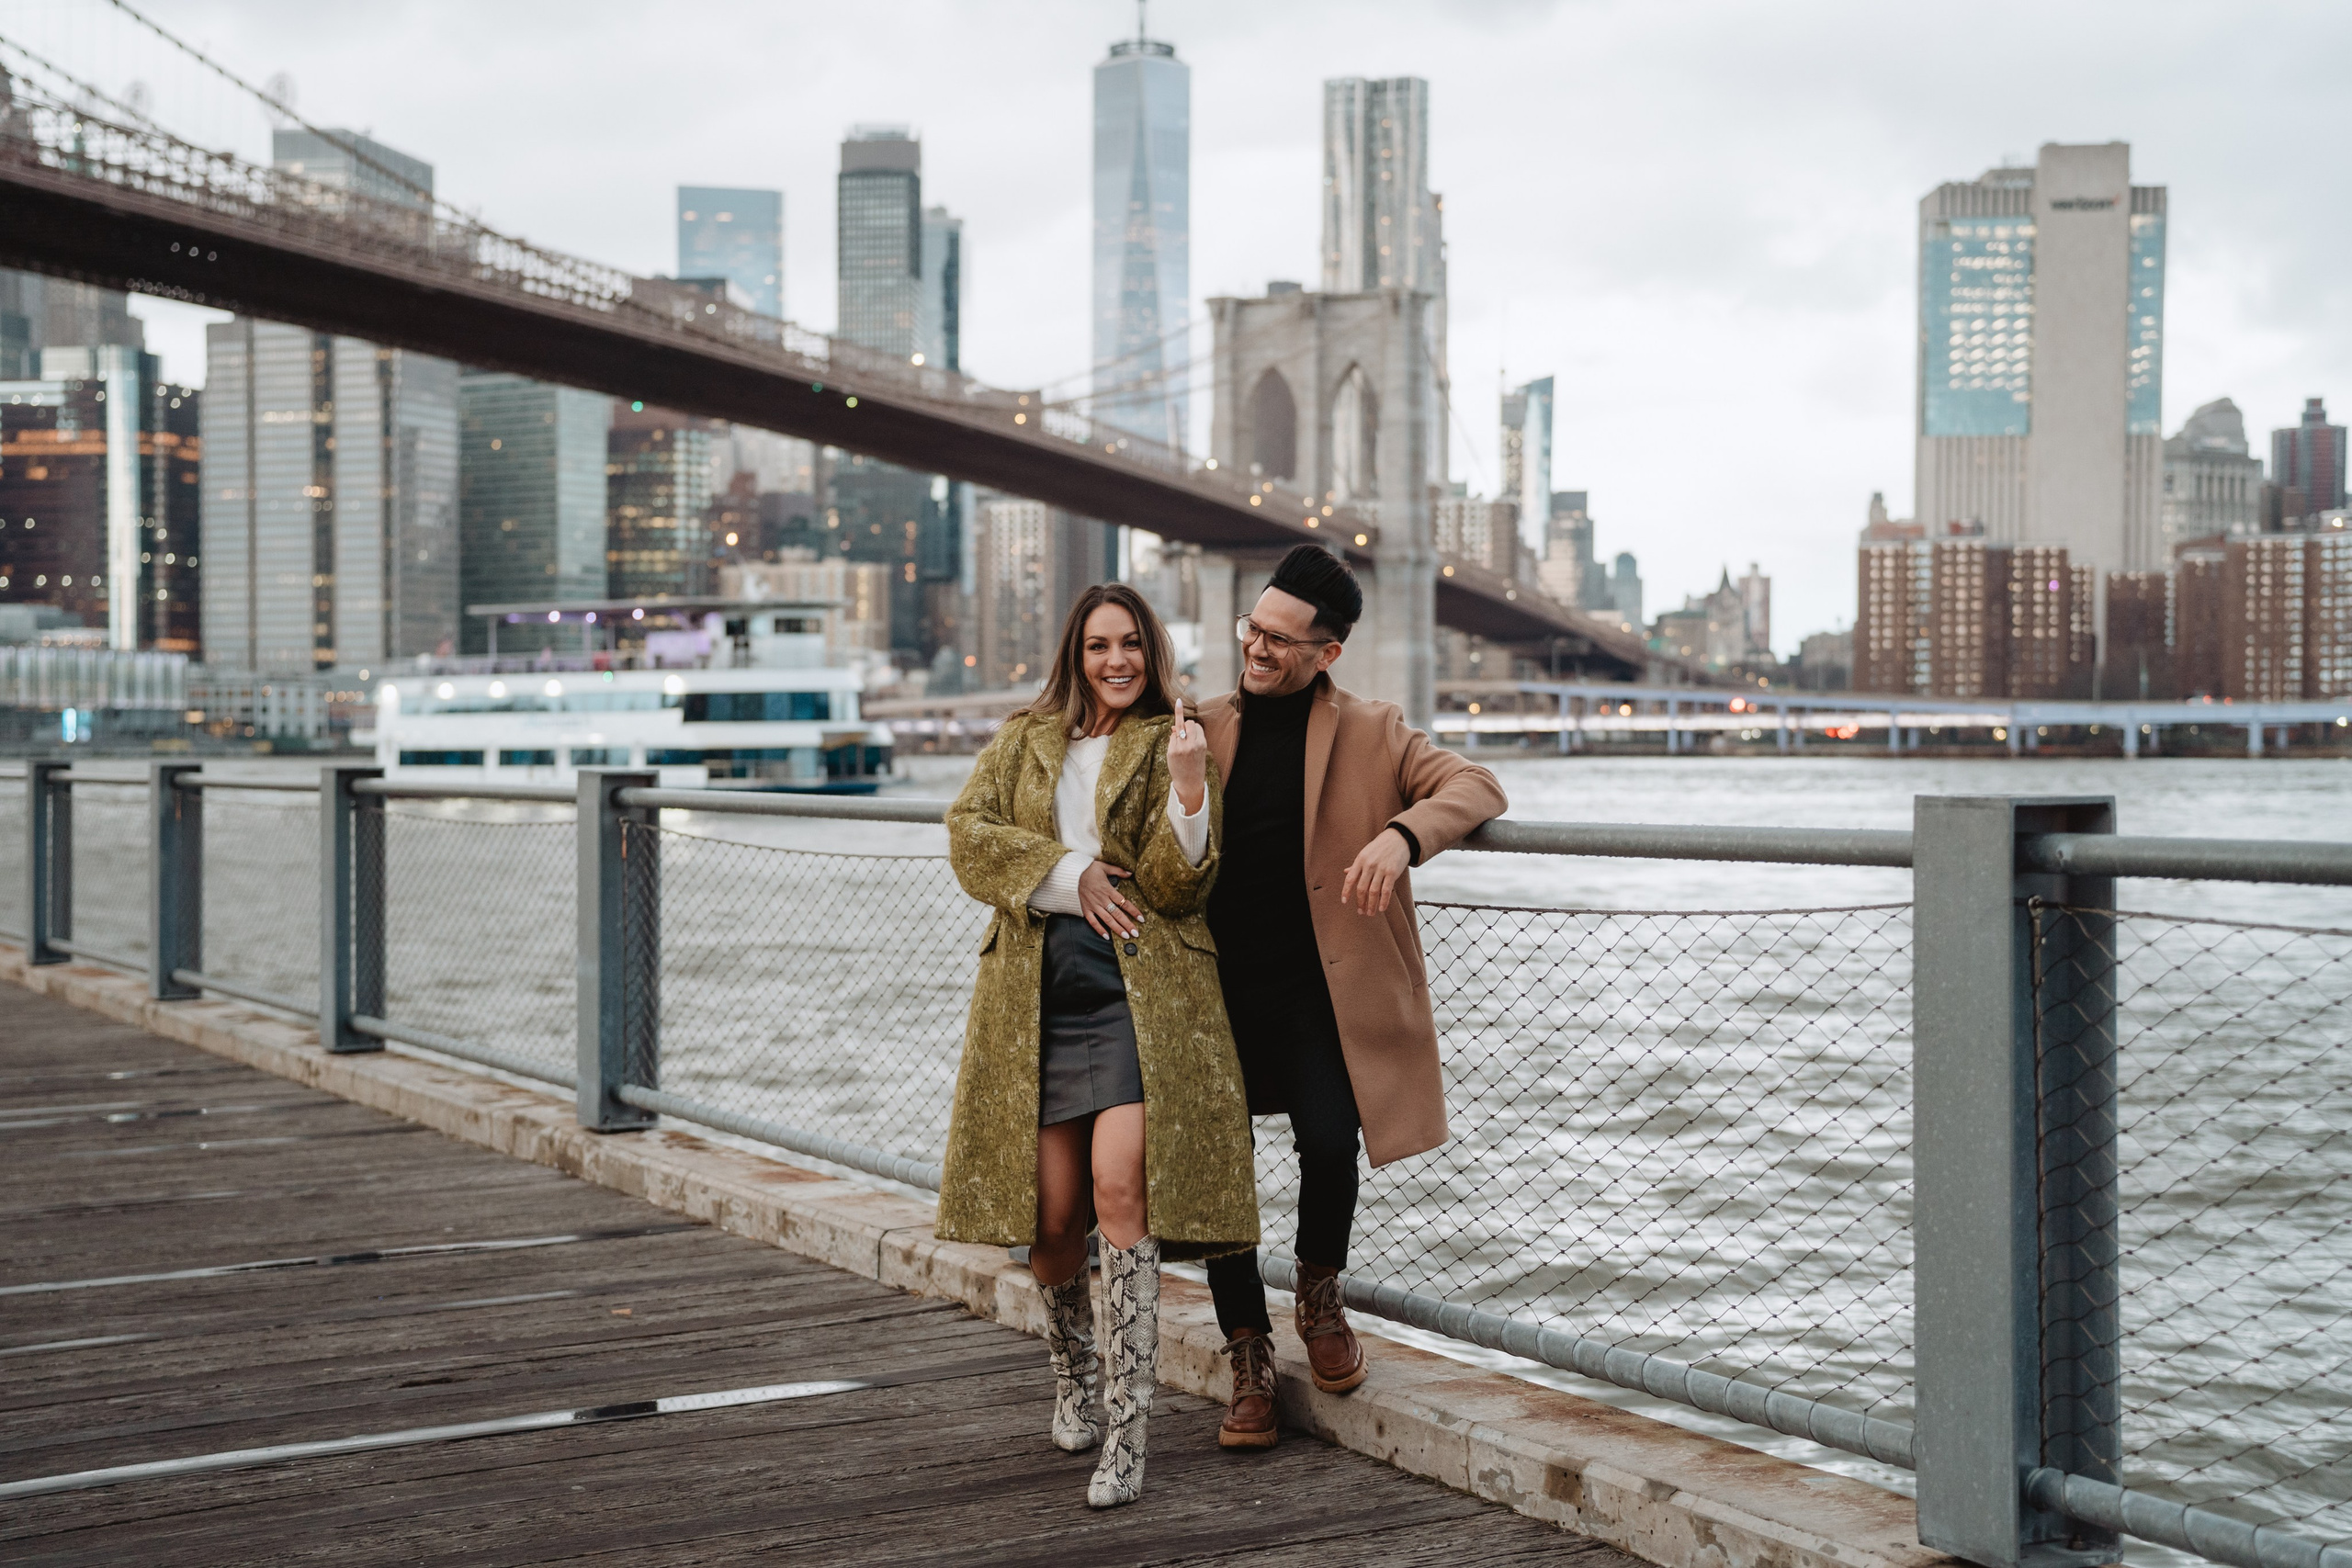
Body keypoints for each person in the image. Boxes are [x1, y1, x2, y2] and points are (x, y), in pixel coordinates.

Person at [937, 582, 1260, 1508]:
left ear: (1150, 652)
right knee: (1049, 1220)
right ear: (1074, 657)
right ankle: (1074, 1375)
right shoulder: (1023, 741)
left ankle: (1128, 1433)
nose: (1114, 661)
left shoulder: (1172, 741)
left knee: (1122, 1187)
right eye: (1096, 646)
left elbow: (1175, 885)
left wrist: (1191, 789)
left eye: (1129, 644)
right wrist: (1069, 873)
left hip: (1138, 993)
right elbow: (968, 837)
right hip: (1037, 992)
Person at [1195, 544, 1508, 1450]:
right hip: (1212, 993)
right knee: (1215, 1178)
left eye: (1282, 641)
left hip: (1316, 998)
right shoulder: (1199, 724)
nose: (1258, 649)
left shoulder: (1372, 731)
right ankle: (1245, 1353)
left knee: (1330, 1141)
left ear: (1326, 653)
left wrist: (1401, 839)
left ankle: (1318, 1296)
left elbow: (1474, 785)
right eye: (1252, 629)